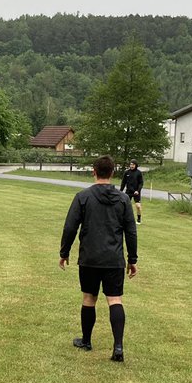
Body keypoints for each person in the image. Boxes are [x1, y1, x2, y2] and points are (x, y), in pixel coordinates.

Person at [59, 154, 138, 362]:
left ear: (94, 172)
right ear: (112, 173)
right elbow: (131, 231)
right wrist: (132, 259)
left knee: (89, 298)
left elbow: (70, 227)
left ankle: (86, 341)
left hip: (89, 258)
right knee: (115, 299)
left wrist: (64, 252)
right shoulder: (123, 199)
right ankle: (118, 347)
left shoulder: (82, 196)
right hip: (113, 259)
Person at [119, 159, 145, 224]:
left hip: (136, 192)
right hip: (128, 192)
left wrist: (138, 190)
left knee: (138, 206)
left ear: (136, 165)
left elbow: (141, 183)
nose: (131, 166)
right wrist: (120, 191)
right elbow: (123, 183)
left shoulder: (139, 173)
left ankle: (139, 219)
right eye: (131, 164)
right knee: (124, 206)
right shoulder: (127, 172)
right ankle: (123, 219)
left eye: (133, 164)